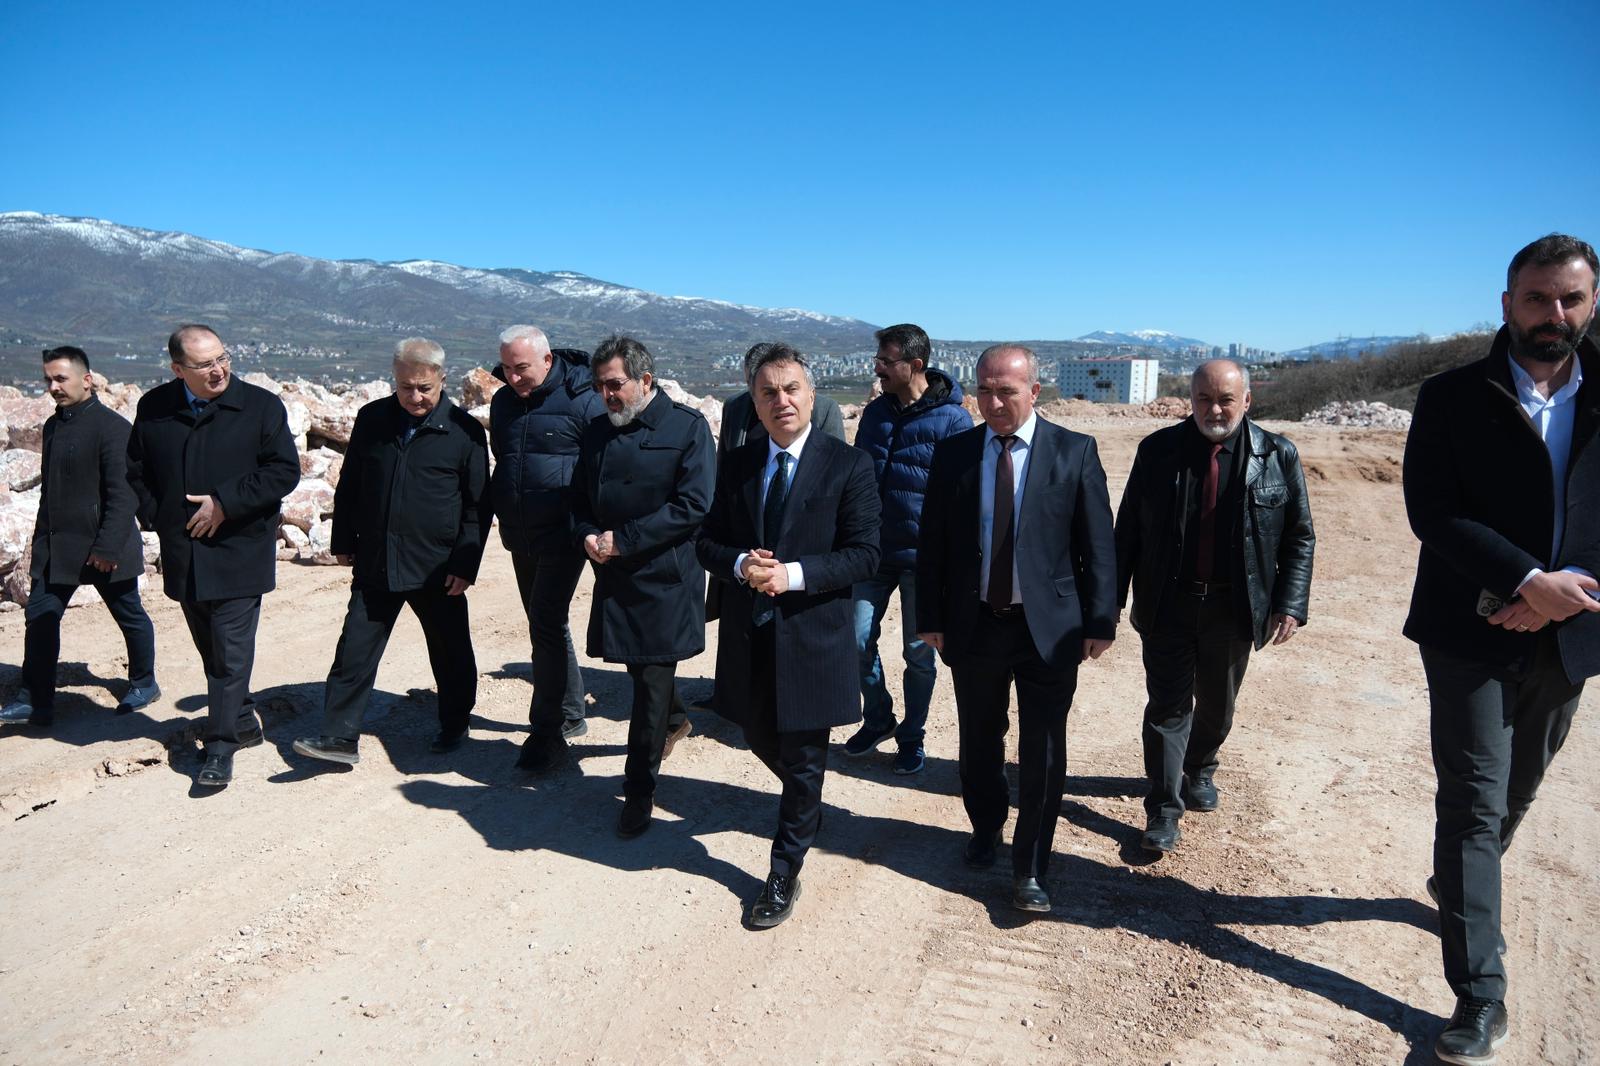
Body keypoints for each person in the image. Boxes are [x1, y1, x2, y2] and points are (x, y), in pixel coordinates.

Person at [1402, 233, 1600, 1065]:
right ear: (1507, 303)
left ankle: (1459, 882)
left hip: (1575, 630)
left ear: (1591, 303)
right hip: (1467, 632)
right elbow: (1433, 511)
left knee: (1518, 790)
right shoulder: (1451, 396)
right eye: (1538, 297)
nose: (1554, 313)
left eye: (1570, 298)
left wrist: (1567, 590)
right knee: (1473, 805)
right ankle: (1481, 994)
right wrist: (1524, 580)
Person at [915, 343, 1117, 914]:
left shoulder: (1074, 451)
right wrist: (929, 616)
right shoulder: (955, 453)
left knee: (1043, 749)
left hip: (1048, 630)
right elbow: (932, 543)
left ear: (1034, 391)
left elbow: (1098, 545)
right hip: (975, 624)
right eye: (984, 390)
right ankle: (986, 828)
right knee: (979, 740)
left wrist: (1101, 619)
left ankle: (1031, 866)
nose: (995, 402)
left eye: (1007, 391)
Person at [697, 344, 880, 928]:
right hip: (751, 637)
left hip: (812, 636)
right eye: (768, 392)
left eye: (792, 388)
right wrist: (739, 563)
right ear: (754, 403)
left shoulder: (848, 465)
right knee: (756, 733)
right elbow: (706, 541)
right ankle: (807, 802)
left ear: (811, 394)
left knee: (802, 758)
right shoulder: (738, 464)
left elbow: (865, 554)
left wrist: (792, 575)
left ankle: (783, 870)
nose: (782, 400)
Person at [1113, 359, 1314, 854]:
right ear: (1191, 400)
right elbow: (1128, 532)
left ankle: (1200, 766)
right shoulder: (1157, 451)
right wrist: (1108, 603)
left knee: (1218, 706)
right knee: (1167, 707)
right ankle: (1163, 808)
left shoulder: (1278, 454)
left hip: (1234, 608)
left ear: (1247, 400)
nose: (1214, 409)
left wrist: (1290, 603)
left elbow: (1299, 536)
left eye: (1225, 399)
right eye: (1204, 399)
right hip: (1168, 603)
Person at [292, 338, 490, 766]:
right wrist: (343, 539)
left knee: (450, 650)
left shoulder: (464, 432)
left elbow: (477, 506)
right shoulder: (373, 419)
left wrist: (465, 563)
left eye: (424, 388)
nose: (414, 397)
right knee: (354, 650)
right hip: (377, 559)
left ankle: (455, 723)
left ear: (442, 379)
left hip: (437, 566)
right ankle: (338, 737)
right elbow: (351, 484)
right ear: (394, 380)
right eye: (405, 387)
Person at [126, 324, 300, 788]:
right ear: (178, 369)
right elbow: (135, 471)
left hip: (239, 551)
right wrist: (160, 517)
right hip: (184, 552)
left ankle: (221, 747)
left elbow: (284, 471)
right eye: (205, 365)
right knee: (212, 649)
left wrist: (225, 503)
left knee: (230, 654)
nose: (219, 370)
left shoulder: (260, 406)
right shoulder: (154, 407)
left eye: (223, 358)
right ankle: (241, 718)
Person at [572, 335, 714, 837]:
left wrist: (625, 540)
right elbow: (579, 500)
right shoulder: (596, 432)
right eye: (600, 386)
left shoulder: (687, 428)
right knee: (641, 672)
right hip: (614, 576)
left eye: (615, 385)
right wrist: (586, 533)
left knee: (649, 686)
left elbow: (693, 505)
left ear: (645, 380)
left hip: (664, 580)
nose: (606, 395)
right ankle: (676, 719)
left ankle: (638, 791)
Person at [1, 346, 158, 728]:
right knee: (40, 618)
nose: (53, 387)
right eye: (48, 380)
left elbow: (124, 495)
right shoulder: (53, 426)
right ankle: (35, 700)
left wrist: (107, 547)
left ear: (86, 380)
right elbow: (50, 493)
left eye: (60, 378)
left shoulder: (113, 428)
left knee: (129, 615)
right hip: (58, 547)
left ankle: (144, 682)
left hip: (105, 547)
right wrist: (39, 544)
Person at [844, 322, 970, 774]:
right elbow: (858, 477)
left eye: (885, 361)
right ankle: (878, 716)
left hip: (924, 559)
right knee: (855, 639)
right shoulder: (875, 413)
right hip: (873, 552)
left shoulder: (954, 420)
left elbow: (963, 495)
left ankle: (912, 737)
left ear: (915, 365)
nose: (877, 368)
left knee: (918, 655)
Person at [488, 326, 605, 772]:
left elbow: (601, 462)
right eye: (507, 369)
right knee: (546, 623)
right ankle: (571, 711)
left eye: (522, 368)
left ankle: (551, 724)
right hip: (521, 530)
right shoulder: (503, 402)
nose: (514, 377)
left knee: (546, 619)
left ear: (548, 360)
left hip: (565, 530)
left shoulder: (583, 399)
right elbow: (506, 458)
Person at [716, 342, 845, 462]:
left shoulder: (825, 409)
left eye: (791, 389)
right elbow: (724, 461)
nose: (782, 402)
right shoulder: (735, 406)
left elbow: (837, 461)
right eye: (750, 381)